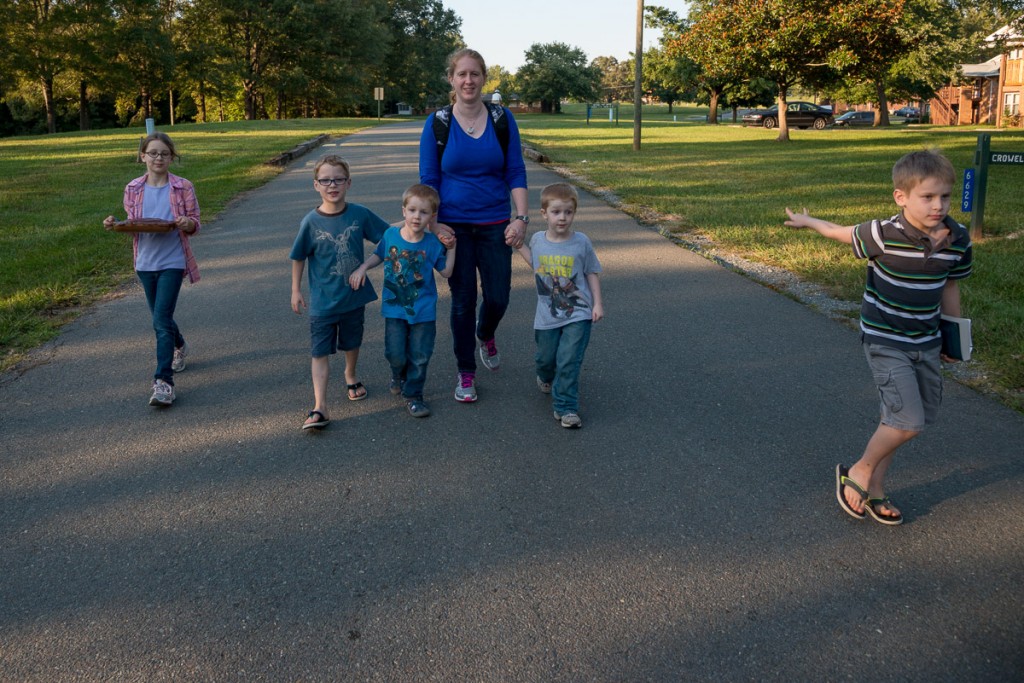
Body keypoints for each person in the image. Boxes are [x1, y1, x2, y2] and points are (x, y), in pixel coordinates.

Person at [784, 149, 973, 525]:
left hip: (927, 342)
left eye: (945, 196)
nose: (938, 205)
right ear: (901, 197)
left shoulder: (957, 239)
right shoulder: (882, 234)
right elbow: (839, 233)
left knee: (904, 420)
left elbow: (950, 287)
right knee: (906, 422)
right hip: (885, 340)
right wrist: (807, 221)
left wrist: (956, 337)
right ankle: (859, 471)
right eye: (928, 197)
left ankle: (876, 489)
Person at [419, 48, 529, 403]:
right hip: (454, 228)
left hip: (497, 223)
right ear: (451, 79)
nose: (468, 80)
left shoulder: (501, 118)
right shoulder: (437, 123)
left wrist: (521, 217)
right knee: (463, 301)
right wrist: (435, 226)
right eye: (461, 74)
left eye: (475, 74)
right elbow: (429, 178)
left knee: (498, 297)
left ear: (484, 79)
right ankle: (466, 373)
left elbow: (515, 169)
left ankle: (487, 333)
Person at [290, 154, 390, 430]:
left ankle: (350, 374)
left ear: (348, 183)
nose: (332, 185)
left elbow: (388, 238)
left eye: (338, 179)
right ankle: (320, 405)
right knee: (319, 350)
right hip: (323, 301)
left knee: (351, 341)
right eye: (325, 180)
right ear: (316, 185)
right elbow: (298, 256)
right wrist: (295, 290)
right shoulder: (310, 222)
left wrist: (419, 226)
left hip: (353, 297)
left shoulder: (360, 214)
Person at [103, 132, 201, 407]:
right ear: (143, 156)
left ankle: (163, 382)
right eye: (153, 153)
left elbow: (195, 223)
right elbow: (134, 224)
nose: (159, 158)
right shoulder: (133, 188)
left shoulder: (183, 186)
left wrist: (186, 223)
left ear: (172, 157)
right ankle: (179, 345)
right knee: (162, 318)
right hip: (145, 263)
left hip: (173, 261)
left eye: (164, 153)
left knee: (159, 321)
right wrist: (115, 224)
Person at [349, 184, 456, 418]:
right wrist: (363, 267)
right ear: (404, 211)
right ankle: (398, 373)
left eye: (424, 212)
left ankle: (414, 395)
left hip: (424, 311)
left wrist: (452, 248)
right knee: (395, 353)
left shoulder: (432, 243)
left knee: (420, 355)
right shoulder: (390, 235)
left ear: (432, 216)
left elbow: (446, 272)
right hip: (395, 309)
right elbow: (379, 254)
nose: (417, 216)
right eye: (412, 210)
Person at [516, 183, 603, 429]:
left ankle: (566, 408)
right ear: (544, 214)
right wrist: (518, 246)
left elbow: (592, 272)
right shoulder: (538, 240)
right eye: (556, 212)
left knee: (568, 360)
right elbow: (536, 264)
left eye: (568, 212)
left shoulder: (581, 242)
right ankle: (545, 376)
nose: (562, 218)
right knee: (546, 359)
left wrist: (597, 304)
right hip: (547, 315)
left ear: (574, 213)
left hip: (579, 312)